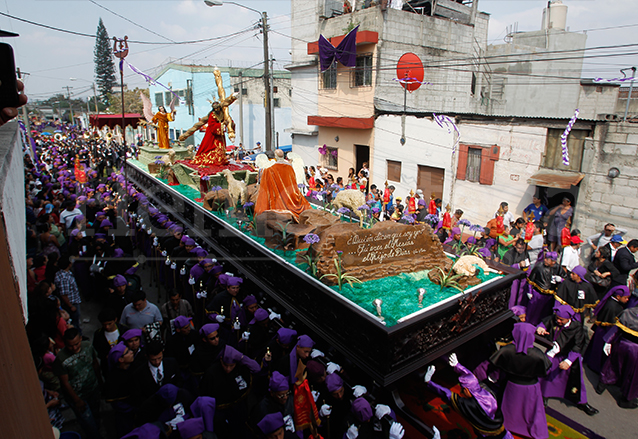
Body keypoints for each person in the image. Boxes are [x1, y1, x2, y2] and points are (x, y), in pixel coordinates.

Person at [425, 353, 511, 439]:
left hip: (487, 434)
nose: (462, 392)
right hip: (501, 431)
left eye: (462, 390)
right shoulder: (487, 391)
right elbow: (472, 379)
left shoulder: (471, 405)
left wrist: (429, 382)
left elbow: (448, 395)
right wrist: (457, 366)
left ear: (466, 390)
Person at [490, 323, 551, 439]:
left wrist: (493, 376)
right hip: (531, 387)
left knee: (510, 408)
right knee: (532, 410)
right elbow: (546, 369)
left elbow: (497, 368)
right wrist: (551, 355)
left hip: (511, 386)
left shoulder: (506, 350)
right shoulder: (537, 354)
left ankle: (508, 424)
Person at [536, 304, 598, 415]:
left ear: (569, 319)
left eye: (561, 320)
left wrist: (568, 361)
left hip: (569, 356)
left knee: (576, 380)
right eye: (557, 318)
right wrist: (540, 328)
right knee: (546, 375)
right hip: (553, 354)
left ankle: (581, 402)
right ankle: (543, 395)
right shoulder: (553, 319)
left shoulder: (577, 327)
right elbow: (543, 323)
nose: (558, 321)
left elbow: (577, 346)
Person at [53, 328, 103, 439]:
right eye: (70, 346)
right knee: (88, 422)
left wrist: (100, 382)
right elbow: (65, 382)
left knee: (96, 415)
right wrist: (77, 400)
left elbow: (95, 363)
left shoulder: (87, 346)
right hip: (78, 396)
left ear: (80, 338)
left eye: (76, 344)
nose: (74, 348)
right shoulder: (61, 359)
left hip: (93, 388)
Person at [598, 305, 638, 408]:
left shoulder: (628, 312)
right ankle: (625, 400)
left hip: (621, 343)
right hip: (636, 350)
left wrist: (608, 341)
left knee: (613, 365)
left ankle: (601, 385)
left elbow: (616, 329)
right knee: (632, 375)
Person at [254, 148, 311, 219]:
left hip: (278, 197)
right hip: (290, 195)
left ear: (275, 156)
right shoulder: (290, 167)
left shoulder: (270, 170)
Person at [585, 286, 631, 373]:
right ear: (618, 297)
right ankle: (595, 367)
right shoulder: (612, 307)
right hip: (605, 333)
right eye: (626, 298)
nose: (627, 300)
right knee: (598, 351)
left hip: (601, 331)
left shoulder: (611, 303)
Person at [93, 308, 129, 379]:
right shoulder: (98, 334)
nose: (107, 327)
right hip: (108, 367)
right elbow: (97, 349)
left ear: (115, 320)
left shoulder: (124, 330)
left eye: (109, 324)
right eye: (104, 325)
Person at [54, 254, 82, 332]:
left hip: (73, 301)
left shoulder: (61, 273)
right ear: (69, 264)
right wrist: (71, 306)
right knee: (74, 322)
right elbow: (64, 294)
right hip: (71, 303)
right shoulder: (64, 278)